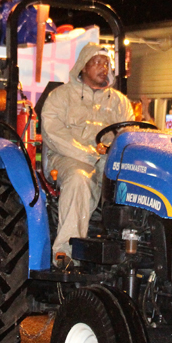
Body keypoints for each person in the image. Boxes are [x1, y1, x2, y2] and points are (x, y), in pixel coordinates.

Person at [41, 43, 134, 268]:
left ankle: (131, 250)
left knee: (133, 184)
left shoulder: (120, 102)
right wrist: (88, 154)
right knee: (79, 178)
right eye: (97, 63)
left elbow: (131, 134)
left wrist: (112, 152)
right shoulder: (60, 96)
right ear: (83, 66)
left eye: (107, 64)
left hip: (106, 160)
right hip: (66, 156)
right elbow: (53, 133)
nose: (104, 68)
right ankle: (65, 252)